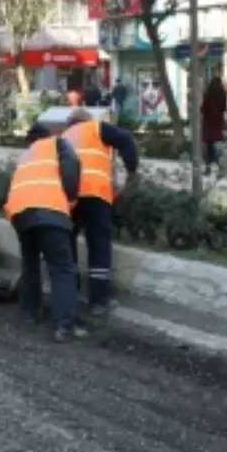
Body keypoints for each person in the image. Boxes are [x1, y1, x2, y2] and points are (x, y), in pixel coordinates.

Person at [5, 123, 82, 343]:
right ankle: (65, 325)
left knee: (30, 264)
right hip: (50, 210)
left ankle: (29, 312)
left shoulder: (25, 156)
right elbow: (70, 168)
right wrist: (71, 197)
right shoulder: (57, 144)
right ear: (47, 136)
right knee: (61, 269)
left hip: (20, 213)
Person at [62, 108, 138, 318]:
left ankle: (70, 292)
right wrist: (131, 169)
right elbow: (125, 138)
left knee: (68, 241)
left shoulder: (64, 136)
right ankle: (98, 300)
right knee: (98, 244)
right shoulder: (95, 128)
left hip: (69, 197)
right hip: (95, 193)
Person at [201, 74, 227, 176]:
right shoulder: (222, 93)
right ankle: (220, 165)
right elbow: (224, 108)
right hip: (218, 121)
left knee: (209, 145)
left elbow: (203, 108)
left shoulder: (208, 94)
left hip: (209, 121)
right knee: (217, 143)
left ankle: (209, 166)